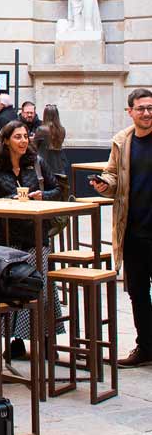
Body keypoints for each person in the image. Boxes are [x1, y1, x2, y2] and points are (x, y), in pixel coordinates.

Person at [0, 119, 61, 357]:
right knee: (11, 290)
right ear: (6, 141)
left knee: (43, 289)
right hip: (8, 239)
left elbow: (58, 189)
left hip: (37, 235)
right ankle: (14, 340)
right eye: (18, 137)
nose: (23, 141)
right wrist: (7, 201)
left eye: (25, 136)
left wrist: (42, 196)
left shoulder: (36, 164)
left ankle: (47, 339)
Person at [91, 87, 152, 367]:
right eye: (141, 108)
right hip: (133, 230)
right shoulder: (122, 141)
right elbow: (113, 178)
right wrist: (105, 185)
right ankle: (146, 347)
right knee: (137, 292)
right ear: (130, 112)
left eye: (150, 108)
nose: (147, 113)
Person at [33, 104, 68, 177]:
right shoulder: (62, 130)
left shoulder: (41, 129)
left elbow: (34, 147)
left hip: (45, 162)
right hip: (59, 164)